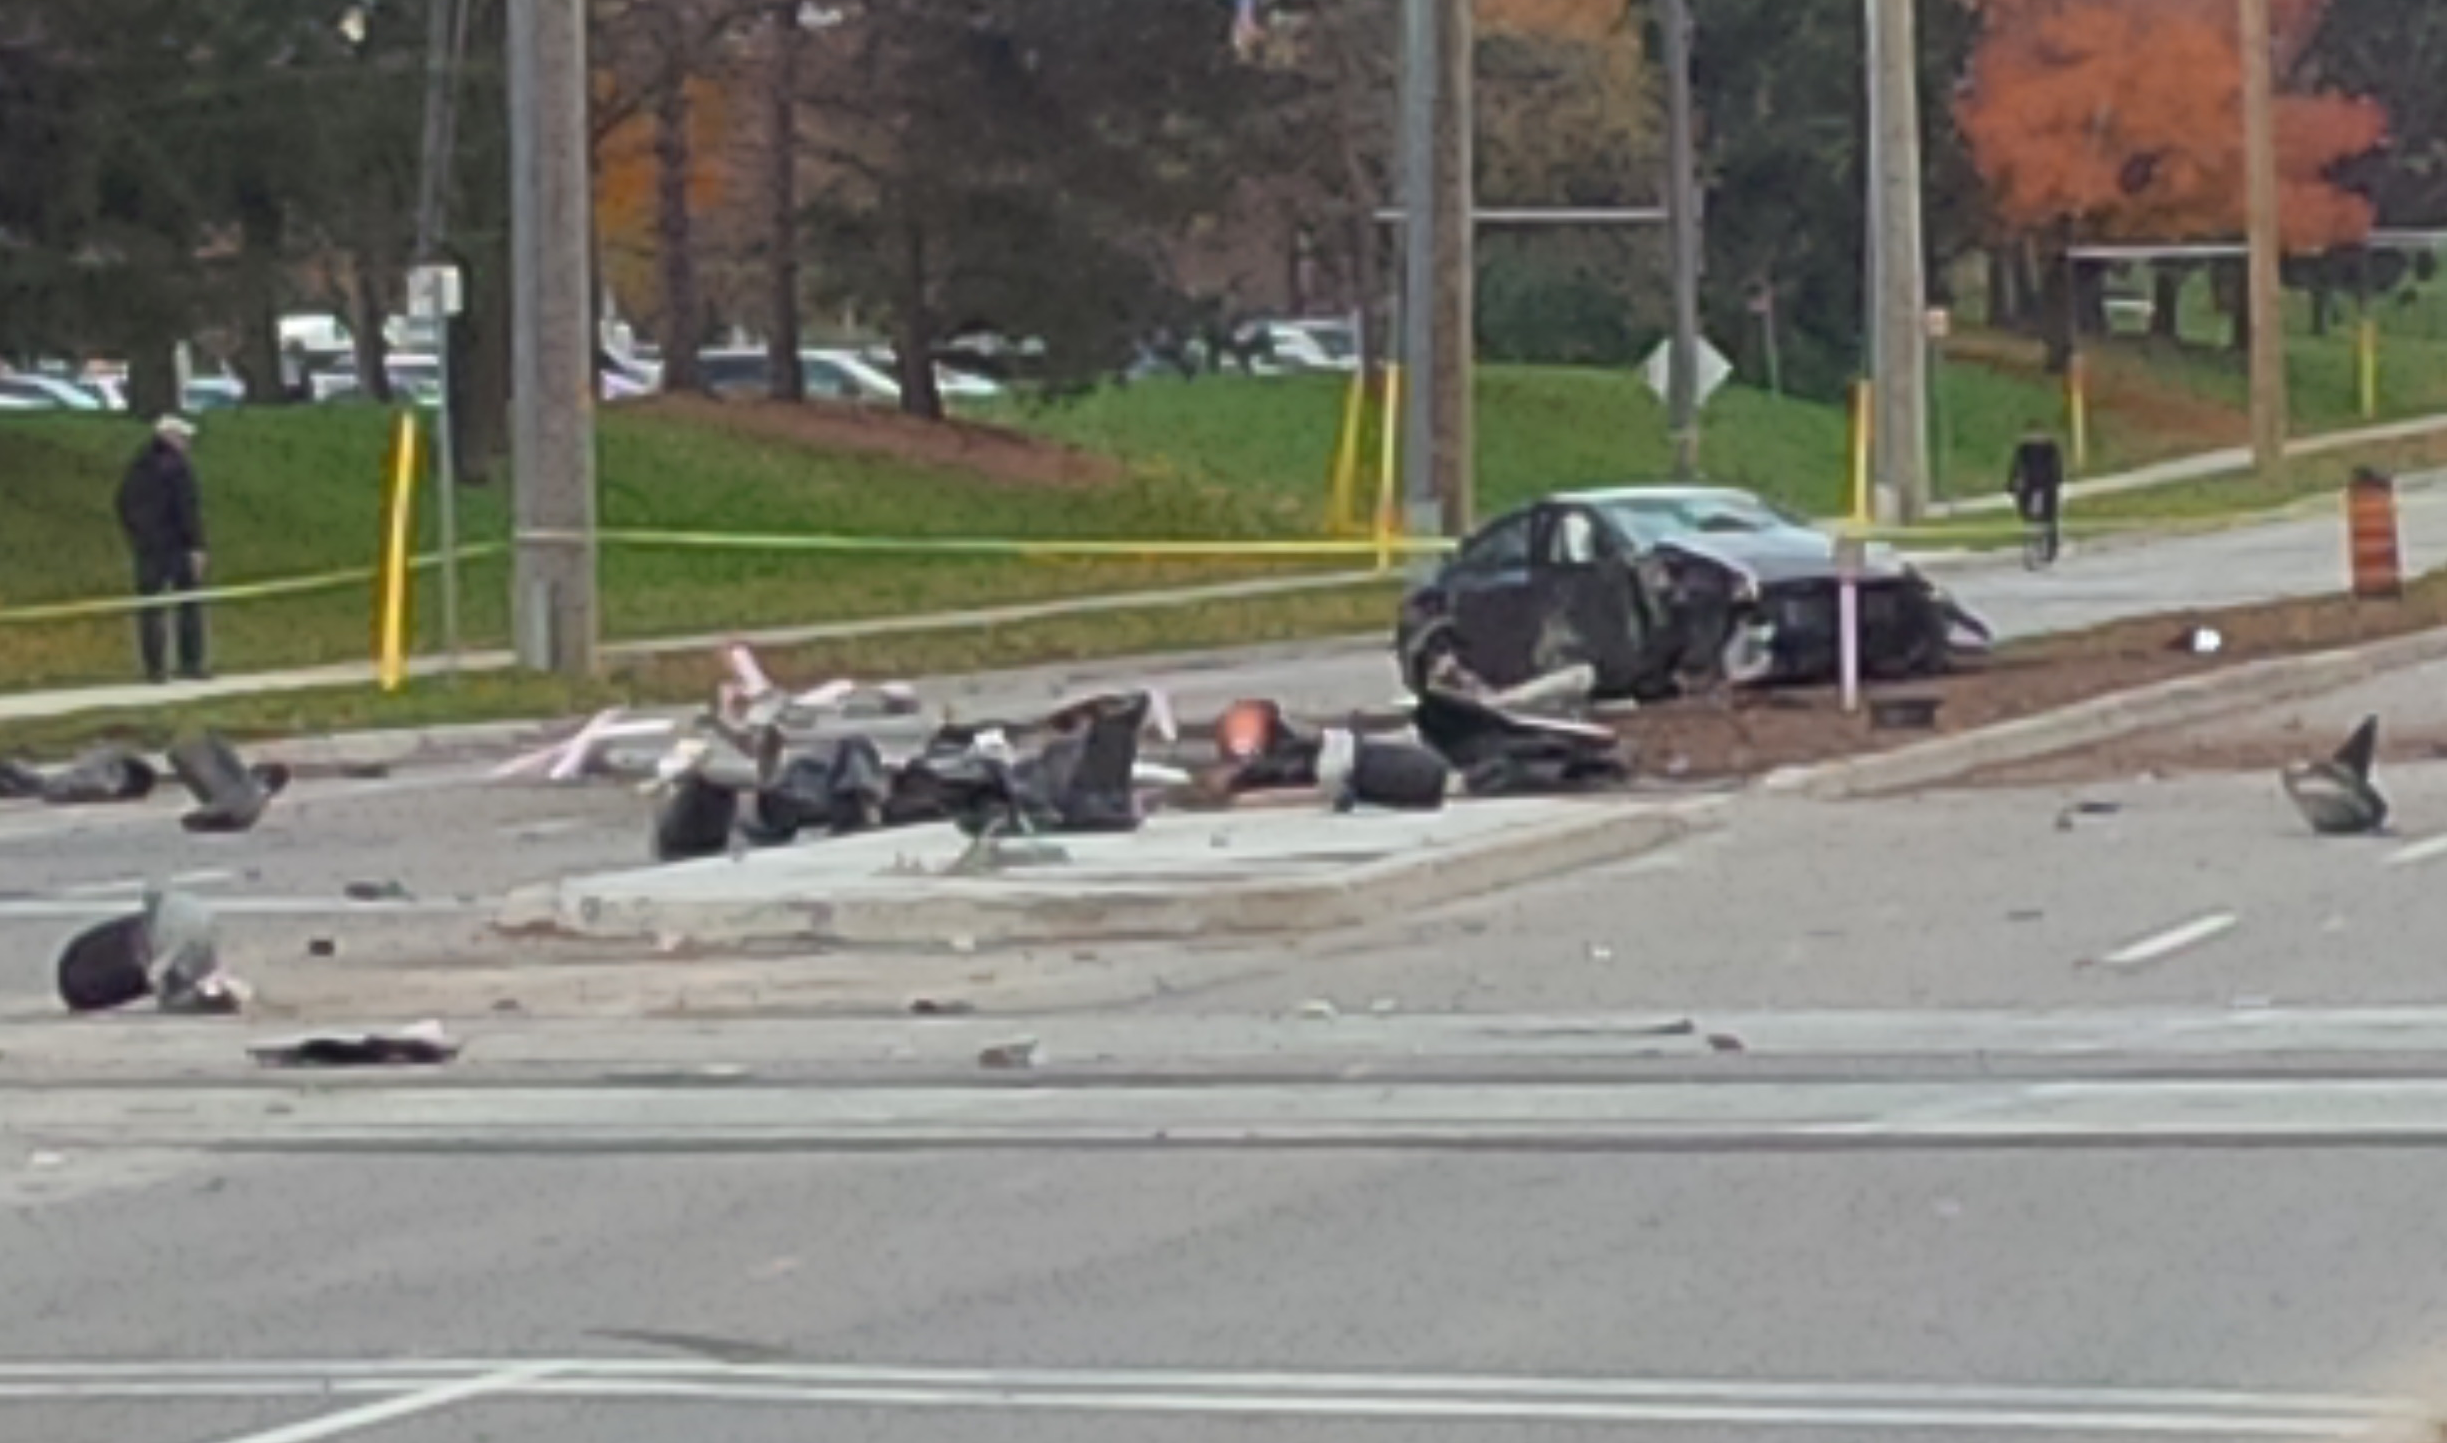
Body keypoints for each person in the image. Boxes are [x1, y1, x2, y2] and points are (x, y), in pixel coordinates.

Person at [116, 414, 209, 682]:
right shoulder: (178, 468)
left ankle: (155, 667)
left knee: (152, 607)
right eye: (183, 437)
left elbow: (124, 503)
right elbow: (187, 510)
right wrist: (196, 545)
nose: (187, 443)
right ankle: (190, 662)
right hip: (176, 545)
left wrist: (138, 535)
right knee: (186, 603)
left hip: (149, 547)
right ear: (168, 436)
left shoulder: (138, 466)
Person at [2006, 421, 2066, 564]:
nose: (2035, 437)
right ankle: (2032, 530)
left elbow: (2056, 466)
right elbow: (2016, 466)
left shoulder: (2050, 448)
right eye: (2032, 434)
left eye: (2038, 434)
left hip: (2047, 483)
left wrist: (2057, 480)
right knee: (2026, 508)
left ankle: (2051, 544)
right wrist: (2012, 483)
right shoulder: (2023, 448)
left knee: (2050, 514)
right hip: (2030, 483)